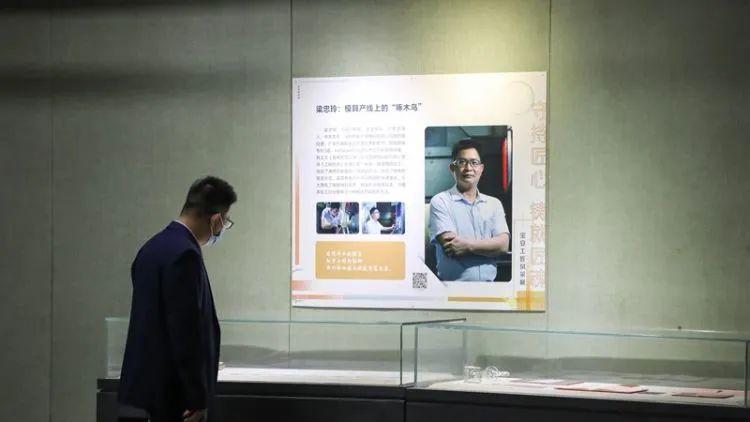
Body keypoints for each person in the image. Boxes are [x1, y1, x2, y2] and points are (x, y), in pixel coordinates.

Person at [118, 176, 237, 422]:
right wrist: (197, 399)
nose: (222, 228)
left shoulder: (151, 248)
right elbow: (186, 334)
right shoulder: (186, 255)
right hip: (172, 399)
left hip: (141, 393)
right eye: (225, 222)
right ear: (215, 219)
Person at [429, 139, 509, 281]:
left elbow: (503, 245)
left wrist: (467, 246)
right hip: (453, 289)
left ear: (481, 169)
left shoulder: (494, 204)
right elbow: (452, 247)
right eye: (462, 162)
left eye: (474, 162)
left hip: (490, 289)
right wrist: (490, 246)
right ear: (452, 168)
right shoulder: (440, 201)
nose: (468, 168)